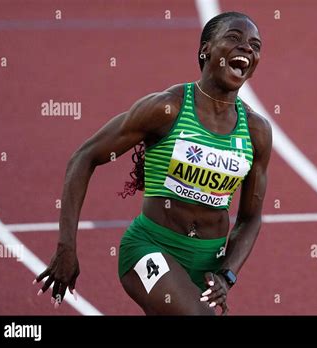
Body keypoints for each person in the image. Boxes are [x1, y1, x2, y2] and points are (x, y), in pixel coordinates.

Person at [33, 11, 272, 315]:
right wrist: (66, 246)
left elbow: (251, 218)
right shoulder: (167, 108)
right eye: (234, 38)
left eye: (255, 45)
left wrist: (227, 275)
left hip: (208, 266)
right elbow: (84, 157)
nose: (247, 49)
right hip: (150, 249)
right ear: (205, 50)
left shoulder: (256, 131)